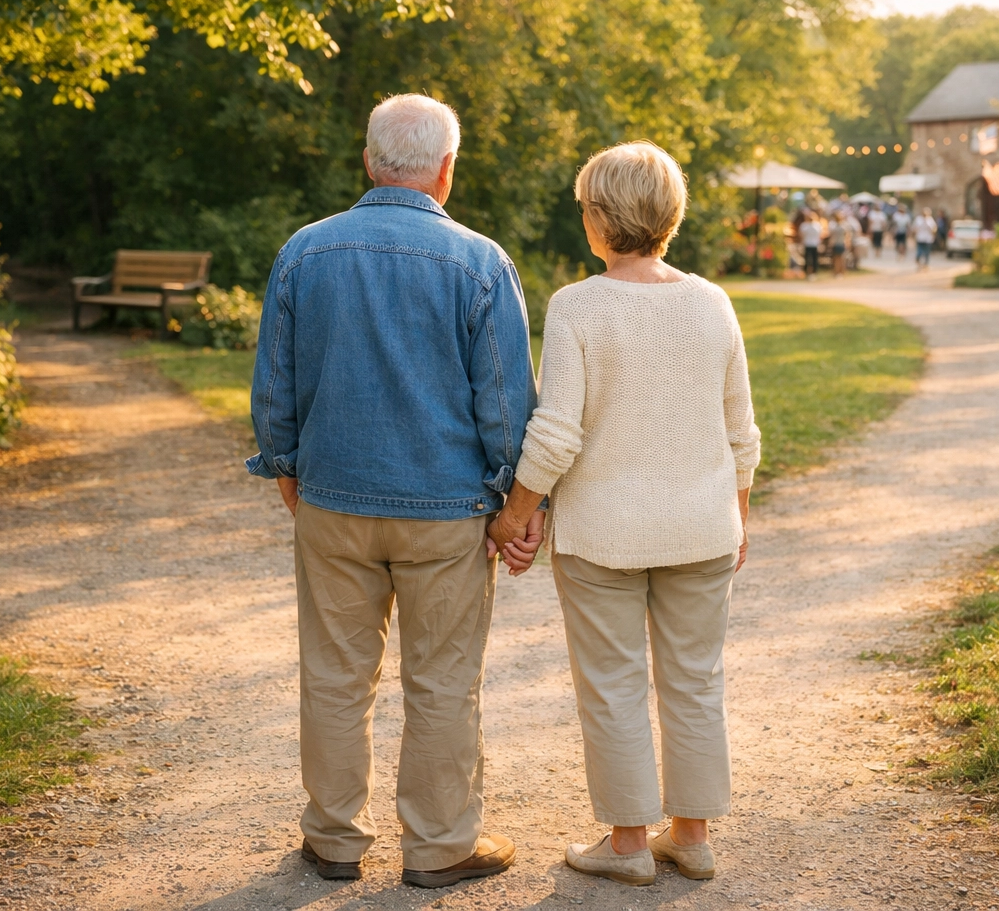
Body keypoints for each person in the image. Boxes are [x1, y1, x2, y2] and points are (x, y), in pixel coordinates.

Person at [247, 94, 542, 889]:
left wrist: (287, 473)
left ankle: (334, 839)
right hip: (447, 513)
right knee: (443, 681)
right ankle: (441, 846)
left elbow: (274, 388)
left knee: (335, 676)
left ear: (371, 160)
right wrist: (517, 506)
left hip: (333, 501)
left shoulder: (304, 253)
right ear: (446, 169)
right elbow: (508, 404)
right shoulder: (481, 262)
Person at [487, 141, 761, 888]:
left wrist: (518, 514)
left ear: (601, 219)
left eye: (584, 208)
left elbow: (555, 432)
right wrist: (737, 515)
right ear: (669, 216)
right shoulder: (713, 302)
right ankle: (693, 837)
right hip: (704, 527)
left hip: (604, 534)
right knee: (695, 679)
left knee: (612, 683)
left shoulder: (578, 305)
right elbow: (742, 429)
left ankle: (629, 843)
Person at [799, 210, 822, 279]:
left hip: (814, 244)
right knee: (807, 259)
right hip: (807, 244)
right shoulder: (804, 225)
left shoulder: (817, 225)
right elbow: (801, 235)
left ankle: (814, 272)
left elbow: (819, 235)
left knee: (814, 259)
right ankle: (807, 272)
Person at [831, 208, 853, 277]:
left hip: (840, 243)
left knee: (839, 259)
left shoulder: (840, 226)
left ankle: (839, 272)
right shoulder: (841, 225)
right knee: (839, 259)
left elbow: (847, 235)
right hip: (839, 243)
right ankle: (839, 272)